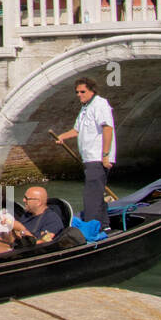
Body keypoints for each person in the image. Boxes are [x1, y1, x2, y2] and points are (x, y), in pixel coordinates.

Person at [54, 77, 116, 230]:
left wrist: (106, 155)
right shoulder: (85, 108)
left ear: (92, 91)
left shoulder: (100, 104)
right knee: (97, 193)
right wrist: (62, 136)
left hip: (98, 158)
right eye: (77, 92)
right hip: (88, 159)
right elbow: (77, 130)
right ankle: (104, 225)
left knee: (91, 196)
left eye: (83, 91)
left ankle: (90, 229)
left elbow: (108, 128)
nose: (79, 95)